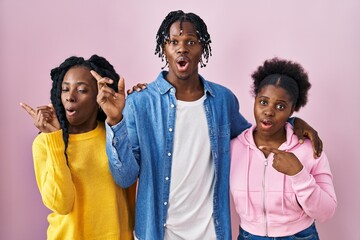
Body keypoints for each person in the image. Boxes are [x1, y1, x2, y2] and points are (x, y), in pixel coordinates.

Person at [92, 10, 322, 240]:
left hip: (212, 233)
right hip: (157, 232)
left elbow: (253, 138)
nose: (182, 48)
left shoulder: (222, 100)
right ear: (163, 48)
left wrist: (292, 121)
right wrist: (115, 121)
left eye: (191, 41)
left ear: (203, 48)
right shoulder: (139, 103)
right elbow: (124, 177)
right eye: (173, 42)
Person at [20, 55, 135, 240]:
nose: (70, 97)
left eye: (81, 90)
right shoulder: (44, 144)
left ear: (99, 96)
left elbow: (131, 192)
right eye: (65, 89)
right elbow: (61, 204)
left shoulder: (115, 135)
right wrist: (55, 141)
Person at [230, 58, 337, 239]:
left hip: (300, 235)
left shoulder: (309, 149)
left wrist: (299, 174)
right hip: (249, 235)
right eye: (263, 102)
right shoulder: (234, 148)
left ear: (292, 110)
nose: (269, 111)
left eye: (280, 106)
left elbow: (326, 212)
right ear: (255, 100)